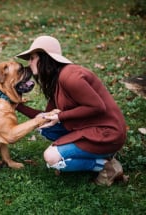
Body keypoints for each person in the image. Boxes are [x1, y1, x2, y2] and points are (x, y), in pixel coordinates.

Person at [15, 35, 127, 186]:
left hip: (108, 133)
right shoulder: (56, 80)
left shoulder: (70, 77)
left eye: (32, 58)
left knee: (51, 157)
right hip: (88, 127)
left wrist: (60, 116)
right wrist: (17, 105)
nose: (29, 63)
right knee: (43, 126)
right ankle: (100, 154)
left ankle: (106, 166)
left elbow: (97, 107)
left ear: (45, 58)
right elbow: (45, 117)